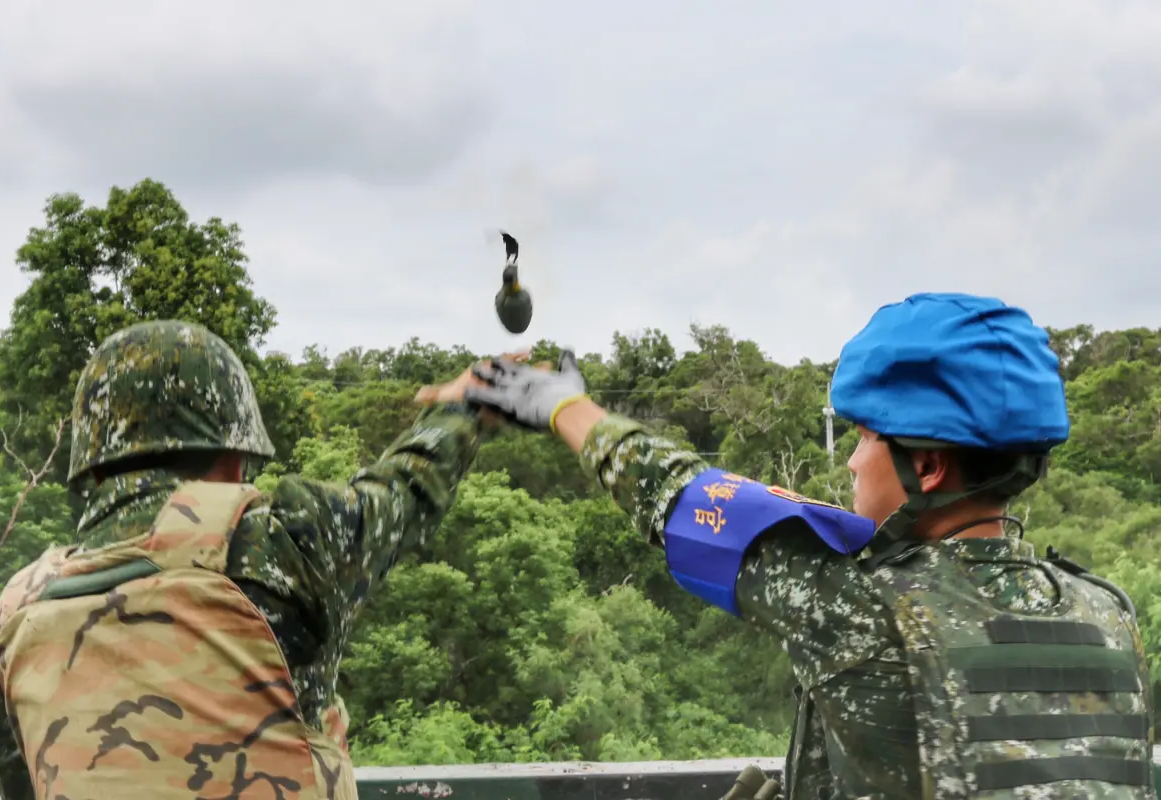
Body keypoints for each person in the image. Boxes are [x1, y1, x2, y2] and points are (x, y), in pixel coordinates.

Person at [450, 292, 1157, 799]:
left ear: (929, 468)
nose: (851, 461)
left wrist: (562, 405)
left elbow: (674, 494)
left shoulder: (862, 609)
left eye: (866, 437)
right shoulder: (1107, 614)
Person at [0, 320, 500, 800]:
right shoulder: (283, 544)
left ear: (91, 473)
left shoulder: (13, 620)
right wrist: (464, 406)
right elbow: (404, 494)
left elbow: (19, 784)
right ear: (233, 459)